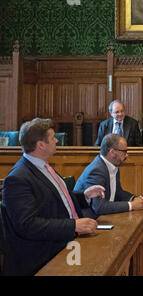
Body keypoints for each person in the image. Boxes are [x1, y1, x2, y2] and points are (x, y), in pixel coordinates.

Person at [0, 118, 105, 276]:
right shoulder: (18, 179)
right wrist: (73, 226)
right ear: (41, 144)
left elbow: (58, 200)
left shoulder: (44, 166)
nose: (56, 140)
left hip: (66, 241)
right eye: (52, 137)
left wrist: (85, 196)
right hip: (44, 255)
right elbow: (28, 225)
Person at [74, 134, 143, 218]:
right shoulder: (96, 170)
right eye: (124, 152)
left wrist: (135, 198)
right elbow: (99, 207)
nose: (127, 155)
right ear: (112, 152)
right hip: (92, 219)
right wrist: (131, 205)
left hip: (104, 216)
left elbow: (118, 193)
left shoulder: (112, 166)